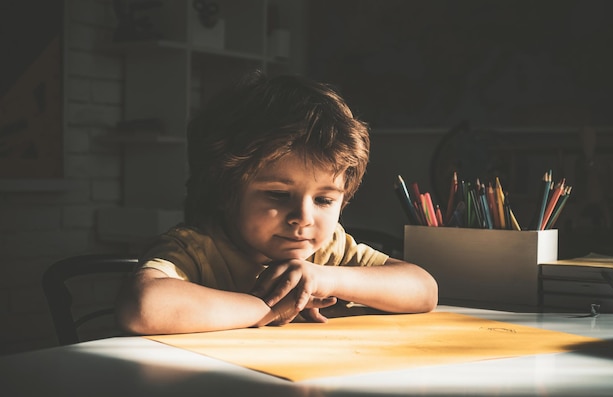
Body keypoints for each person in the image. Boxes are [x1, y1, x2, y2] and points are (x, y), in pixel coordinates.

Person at [115, 71, 438, 335]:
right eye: (278, 195)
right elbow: (145, 308)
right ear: (226, 191)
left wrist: (328, 278)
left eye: (324, 199)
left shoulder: (328, 253)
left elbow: (424, 290)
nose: (303, 217)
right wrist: (265, 308)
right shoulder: (197, 250)